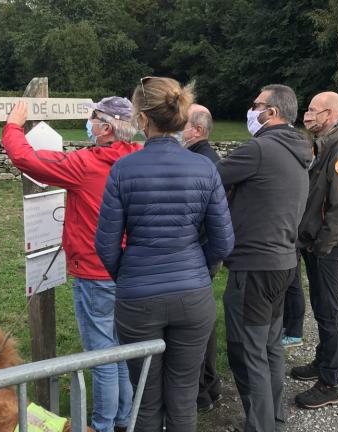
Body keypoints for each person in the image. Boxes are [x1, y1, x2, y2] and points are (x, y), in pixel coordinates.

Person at [95, 76, 234, 432]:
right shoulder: (204, 168)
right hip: (193, 295)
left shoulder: (124, 169)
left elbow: (106, 246)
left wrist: (128, 275)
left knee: (145, 398)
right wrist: (197, 269)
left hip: (138, 296)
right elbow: (223, 242)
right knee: (184, 397)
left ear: (142, 119)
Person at [2, 97, 141, 432]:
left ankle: (103, 425)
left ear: (106, 128)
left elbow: (28, 159)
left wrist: (13, 126)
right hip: (130, 270)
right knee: (120, 348)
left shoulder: (87, 164)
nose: (88, 123)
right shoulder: (138, 157)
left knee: (101, 354)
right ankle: (124, 417)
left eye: (93, 118)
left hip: (94, 272)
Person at [216, 84, 313, 432]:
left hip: (254, 267)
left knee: (248, 352)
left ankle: (260, 426)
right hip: (284, 264)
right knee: (271, 348)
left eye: (255, 104)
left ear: (271, 112)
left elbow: (209, 175)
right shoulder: (298, 149)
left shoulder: (260, 149)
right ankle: (273, 418)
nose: (250, 109)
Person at [290, 91, 338, 410]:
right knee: (321, 305)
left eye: (313, 110)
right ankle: (322, 362)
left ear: (330, 114)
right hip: (316, 242)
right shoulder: (326, 145)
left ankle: (330, 381)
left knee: (327, 309)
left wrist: (322, 245)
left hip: (326, 247)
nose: (308, 115)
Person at [181, 103, 222, 414]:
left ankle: (200, 393)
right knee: (204, 324)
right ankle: (210, 384)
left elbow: (212, 222)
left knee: (194, 328)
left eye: (183, 123)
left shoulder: (200, 163)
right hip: (203, 256)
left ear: (197, 129)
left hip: (197, 257)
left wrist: (197, 256)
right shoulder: (206, 158)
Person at [281, 253, 304, 348]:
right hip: (291, 246)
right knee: (290, 285)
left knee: (294, 286)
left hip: (290, 246)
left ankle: (295, 334)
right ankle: (286, 327)